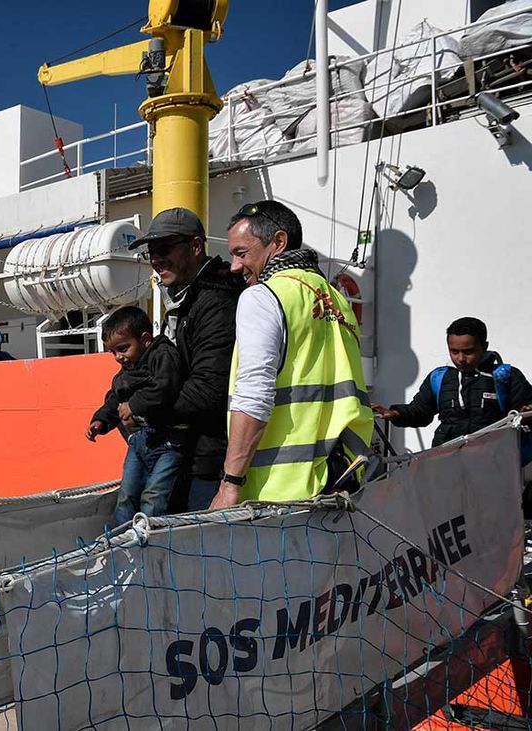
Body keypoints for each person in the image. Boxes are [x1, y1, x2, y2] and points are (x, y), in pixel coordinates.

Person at [210, 201, 374, 508]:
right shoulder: (338, 300)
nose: (233, 266)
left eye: (241, 253)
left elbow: (254, 394)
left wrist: (230, 483)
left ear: (278, 242)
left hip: (276, 494)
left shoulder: (263, 296)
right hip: (340, 482)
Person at [126, 207, 244, 511]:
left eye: (164, 249)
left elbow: (208, 388)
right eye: (151, 252)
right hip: (185, 451)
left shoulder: (216, 301)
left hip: (208, 459)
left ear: (195, 246)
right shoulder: (186, 298)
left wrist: (146, 412)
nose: (155, 259)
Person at [85, 306, 186, 526]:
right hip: (140, 442)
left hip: (168, 441)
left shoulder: (163, 356)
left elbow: (165, 387)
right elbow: (114, 399)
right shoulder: (128, 370)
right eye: (113, 352)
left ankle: (150, 538)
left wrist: (134, 405)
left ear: (146, 339)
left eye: (123, 348)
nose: (118, 357)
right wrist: (100, 420)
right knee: (127, 495)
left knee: (155, 495)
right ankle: (121, 539)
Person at [373, 317, 532, 447]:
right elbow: (421, 411)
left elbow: (525, 410)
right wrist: (396, 413)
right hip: (446, 460)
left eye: (468, 352)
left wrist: (527, 411)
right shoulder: (439, 377)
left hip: (493, 460)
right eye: (454, 352)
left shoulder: (505, 376)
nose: (461, 359)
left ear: (484, 347)